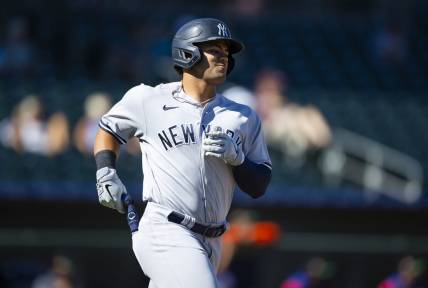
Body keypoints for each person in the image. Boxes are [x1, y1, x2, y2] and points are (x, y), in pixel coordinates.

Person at [93, 18, 272, 288]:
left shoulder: (243, 116)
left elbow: (259, 185)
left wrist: (239, 160)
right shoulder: (148, 99)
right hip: (166, 229)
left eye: (226, 52)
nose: (223, 56)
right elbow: (108, 131)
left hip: (213, 241)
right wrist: (106, 171)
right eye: (215, 50)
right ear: (188, 52)